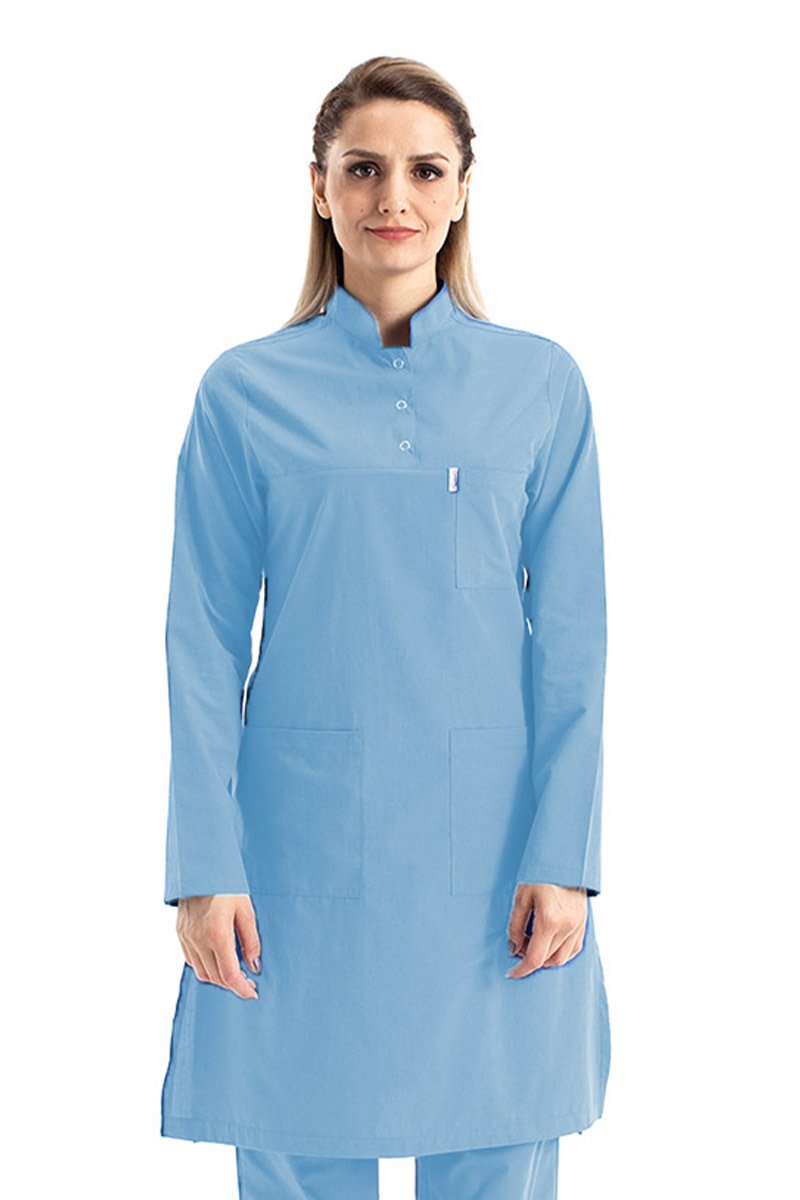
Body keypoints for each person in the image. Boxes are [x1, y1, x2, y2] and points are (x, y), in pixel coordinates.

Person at [159, 54, 611, 1200]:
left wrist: (564, 859)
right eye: (362, 169)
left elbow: (572, 644)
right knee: (296, 1136)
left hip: (496, 860)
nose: (392, 198)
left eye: (424, 170)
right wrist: (204, 867)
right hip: (296, 854)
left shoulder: (539, 386)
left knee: (497, 1140)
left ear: (462, 190)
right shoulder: (244, 393)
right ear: (318, 188)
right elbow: (200, 644)